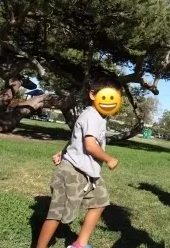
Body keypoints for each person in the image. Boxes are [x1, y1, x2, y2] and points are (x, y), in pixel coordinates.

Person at [35, 74, 121, 248]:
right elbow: (90, 145)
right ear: (92, 95)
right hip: (72, 173)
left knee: (100, 201)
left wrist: (63, 151)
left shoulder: (96, 116)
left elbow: (77, 138)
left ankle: (80, 244)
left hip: (88, 173)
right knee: (57, 214)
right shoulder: (92, 116)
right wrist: (109, 158)